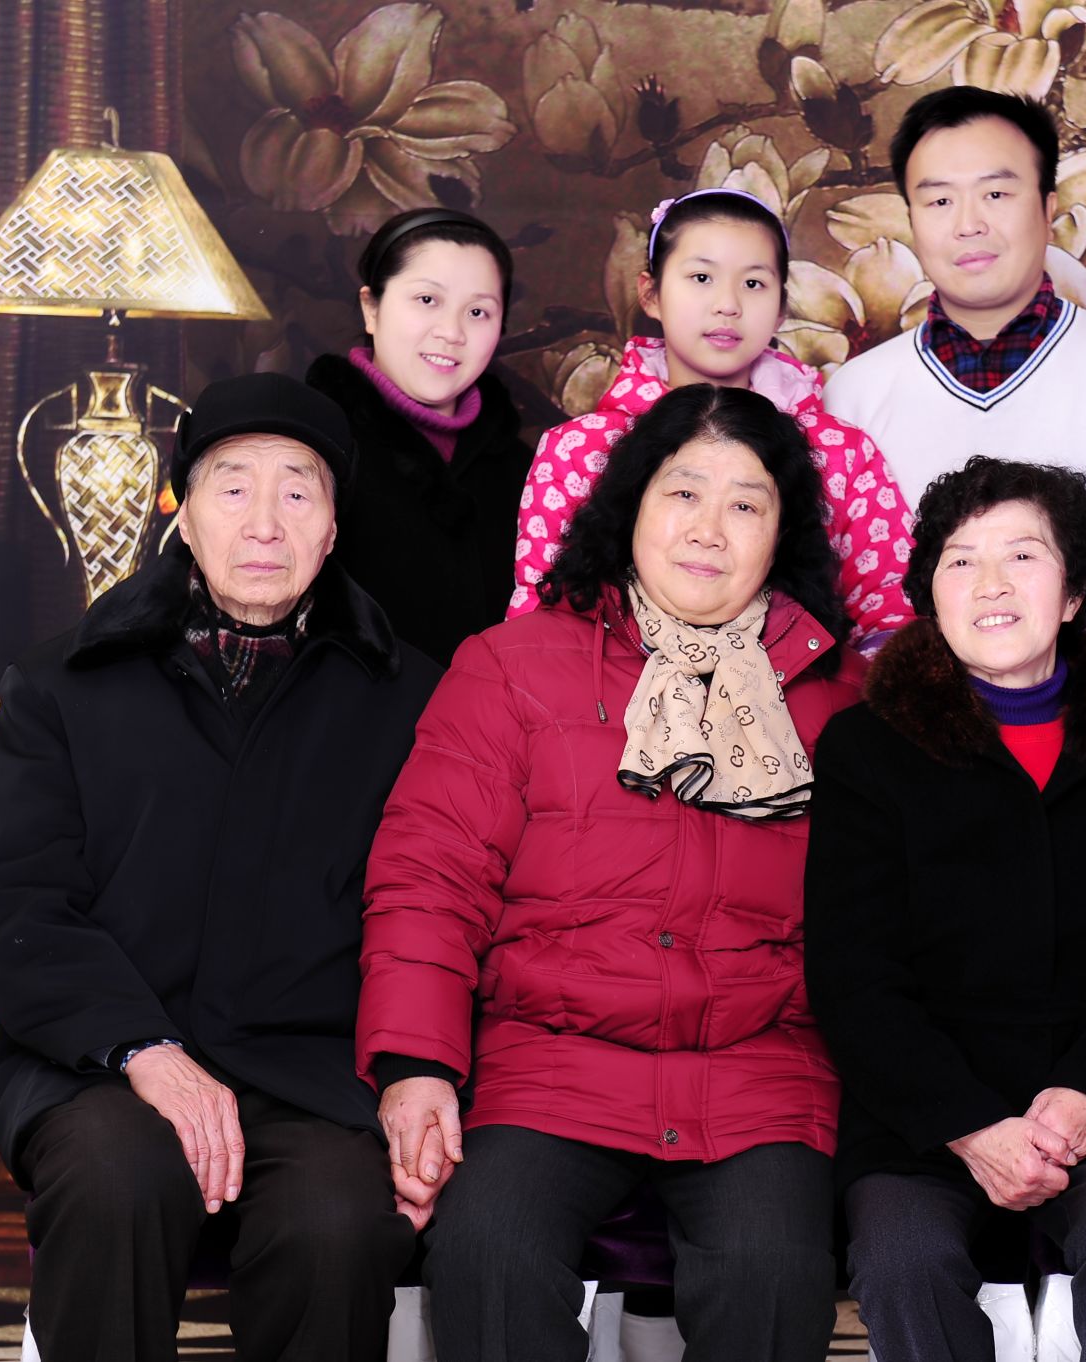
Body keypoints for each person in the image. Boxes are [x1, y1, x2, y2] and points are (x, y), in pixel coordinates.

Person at [359, 384, 867, 1362]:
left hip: (756, 1071)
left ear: (782, 536)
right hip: (549, 1062)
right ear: (630, 506)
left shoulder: (841, 700)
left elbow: (880, 930)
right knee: (488, 1256)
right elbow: (429, 879)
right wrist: (415, 1068)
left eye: (746, 504)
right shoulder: (511, 667)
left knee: (773, 1277)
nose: (708, 529)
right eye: (683, 493)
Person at [0, 374, 440, 1362]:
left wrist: (409, 1074)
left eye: (297, 492)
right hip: (98, 1062)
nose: (264, 522)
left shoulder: (409, 699)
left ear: (333, 529)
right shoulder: (63, 684)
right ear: (181, 514)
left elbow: (430, 908)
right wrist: (143, 1048)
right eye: (231, 488)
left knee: (337, 1224)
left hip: (307, 1072)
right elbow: (22, 905)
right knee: (116, 1177)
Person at [804, 456, 1086, 1362]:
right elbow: (852, 972)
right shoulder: (865, 748)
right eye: (961, 561)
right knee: (904, 1259)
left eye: (1023, 557)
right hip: (924, 1116)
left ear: (1073, 593)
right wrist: (968, 1122)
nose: (990, 584)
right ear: (931, 593)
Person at [823, 86, 1086, 597]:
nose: (968, 225)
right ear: (911, 220)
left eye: (996, 194)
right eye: (939, 201)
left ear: (1048, 210)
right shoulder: (852, 396)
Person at [509, 187, 914, 646]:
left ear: (782, 308)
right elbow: (537, 616)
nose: (728, 304)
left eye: (754, 283)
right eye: (701, 277)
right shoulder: (579, 449)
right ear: (650, 294)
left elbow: (890, 611)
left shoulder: (841, 452)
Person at [309, 206, 535, 663]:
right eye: (427, 300)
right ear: (371, 308)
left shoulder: (527, 470)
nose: (451, 332)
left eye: (478, 311)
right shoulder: (309, 443)